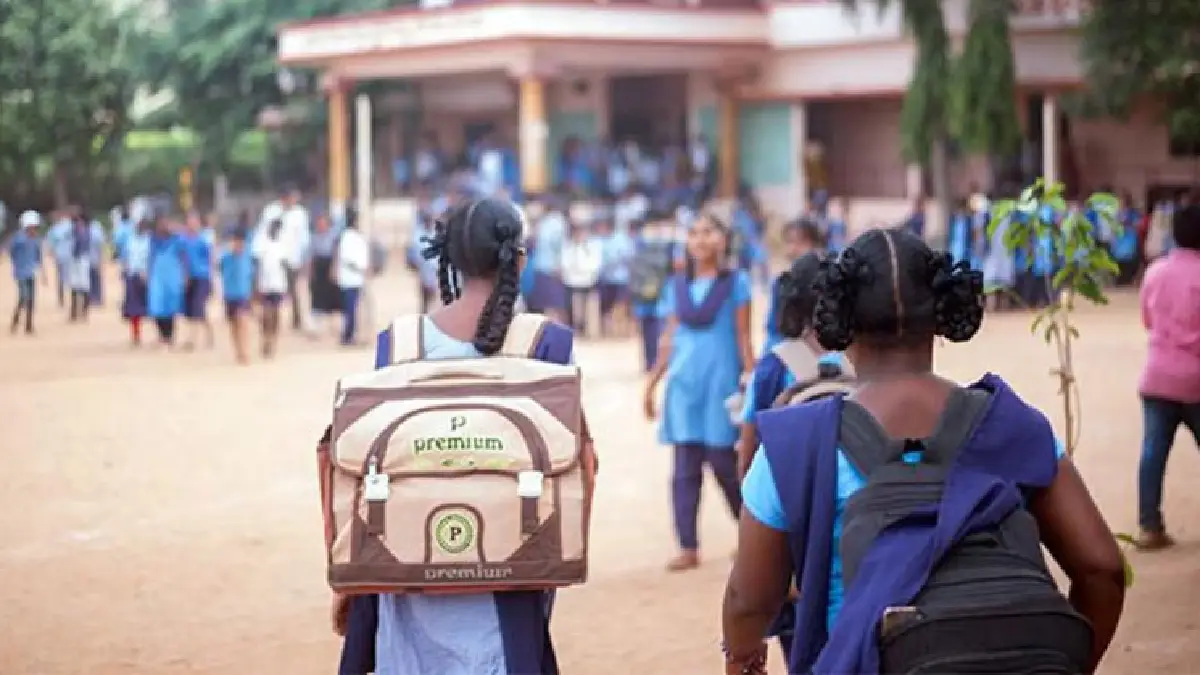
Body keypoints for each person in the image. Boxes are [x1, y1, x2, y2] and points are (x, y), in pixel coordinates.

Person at [723, 227, 1126, 675]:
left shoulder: (796, 444)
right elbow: (1102, 567)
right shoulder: (1012, 425)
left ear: (842, 320)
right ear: (940, 314)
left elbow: (749, 600)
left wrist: (741, 659)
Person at [333, 196, 591, 675]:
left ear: (447, 258)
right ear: (519, 259)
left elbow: (367, 467)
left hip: (406, 571)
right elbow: (580, 466)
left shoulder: (401, 343)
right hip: (510, 578)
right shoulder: (546, 344)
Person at [643, 213, 754, 571]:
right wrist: (652, 382)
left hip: (721, 383)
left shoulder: (736, 283)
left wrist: (752, 379)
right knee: (684, 467)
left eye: (709, 232)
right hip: (684, 384)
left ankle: (753, 535)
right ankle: (688, 546)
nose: (701, 239)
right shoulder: (676, 286)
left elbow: (743, 335)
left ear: (723, 240)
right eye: (694, 233)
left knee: (725, 463)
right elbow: (668, 337)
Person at [1135, 204, 1200, 550]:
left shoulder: (1156, 271)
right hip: (1195, 379)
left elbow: (1147, 319)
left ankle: (1149, 526)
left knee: (1153, 452)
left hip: (1158, 375)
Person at [763, 219, 822, 352]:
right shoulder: (781, 284)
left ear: (816, 246)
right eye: (790, 242)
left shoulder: (828, 284)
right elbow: (773, 330)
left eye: (802, 243)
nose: (794, 248)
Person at [147, 215, 187, 347]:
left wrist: (185, 274)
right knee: (156, 306)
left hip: (172, 276)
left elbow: (184, 257)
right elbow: (150, 257)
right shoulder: (153, 240)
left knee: (171, 308)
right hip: (157, 276)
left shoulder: (177, 240)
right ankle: (161, 335)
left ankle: (169, 336)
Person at [334, 208, 370, 347]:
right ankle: (347, 336)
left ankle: (352, 334)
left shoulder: (358, 236)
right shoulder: (347, 237)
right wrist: (361, 268)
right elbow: (347, 257)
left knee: (355, 309)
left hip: (358, 279)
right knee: (350, 310)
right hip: (349, 279)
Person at [255, 219, 290, 358]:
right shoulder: (263, 245)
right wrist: (256, 284)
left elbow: (285, 267)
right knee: (265, 314)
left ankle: (273, 340)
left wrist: (287, 287)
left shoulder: (282, 246)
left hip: (278, 284)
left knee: (275, 314)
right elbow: (258, 266)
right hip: (265, 285)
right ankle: (265, 338)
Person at [560, 221, 603, 335]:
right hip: (572, 282)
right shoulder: (568, 247)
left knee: (590, 308)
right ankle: (576, 329)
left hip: (589, 281)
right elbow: (565, 264)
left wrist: (581, 268)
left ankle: (590, 331)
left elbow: (596, 264)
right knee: (575, 309)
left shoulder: (592, 246)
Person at [280, 186, 313, 333]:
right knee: (281, 288)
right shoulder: (277, 212)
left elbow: (304, 238)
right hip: (280, 257)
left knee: (295, 289)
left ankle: (297, 318)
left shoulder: (300, 214)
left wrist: (305, 257)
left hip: (295, 258)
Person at [220, 229, 255, 364]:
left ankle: (245, 351)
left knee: (243, 322)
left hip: (243, 294)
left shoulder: (248, 256)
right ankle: (238, 351)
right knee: (233, 324)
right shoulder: (226, 257)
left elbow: (252, 275)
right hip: (229, 294)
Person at [182, 213, 215, 350]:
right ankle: (209, 333)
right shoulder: (183, 240)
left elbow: (211, 258)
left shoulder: (203, 239)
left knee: (197, 306)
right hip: (189, 278)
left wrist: (212, 277)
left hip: (202, 277)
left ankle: (192, 339)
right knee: (195, 310)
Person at [8, 211, 45, 335]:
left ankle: (29, 325)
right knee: (23, 297)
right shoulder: (18, 239)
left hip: (31, 272)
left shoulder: (36, 240)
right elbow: (12, 252)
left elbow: (38, 256)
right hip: (21, 273)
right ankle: (16, 319)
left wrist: (42, 271)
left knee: (31, 299)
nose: (34, 229)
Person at [309, 212, 342, 333]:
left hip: (329, 265)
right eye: (319, 223)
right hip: (318, 267)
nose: (321, 225)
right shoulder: (314, 237)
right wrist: (311, 271)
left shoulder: (333, 236)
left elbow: (336, 253)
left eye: (323, 223)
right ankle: (317, 324)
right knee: (317, 297)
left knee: (333, 296)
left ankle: (334, 324)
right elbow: (311, 256)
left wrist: (334, 268)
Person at [121, 219, 152, 346]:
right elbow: (125, 257)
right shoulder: (130, 240)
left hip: (146, 277)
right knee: (134, 308)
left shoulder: (150, 241)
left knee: (151, 306)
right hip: (132, 275)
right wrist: (125, 271)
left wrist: (148, 272)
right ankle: (136, 334)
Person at [66, 215, 93, 323]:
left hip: (82, 259)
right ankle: (74, 312)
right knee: (74, 286)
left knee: (84, 286)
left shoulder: (85, 233)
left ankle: (84, 311)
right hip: (75, 259)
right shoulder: (74, 232)